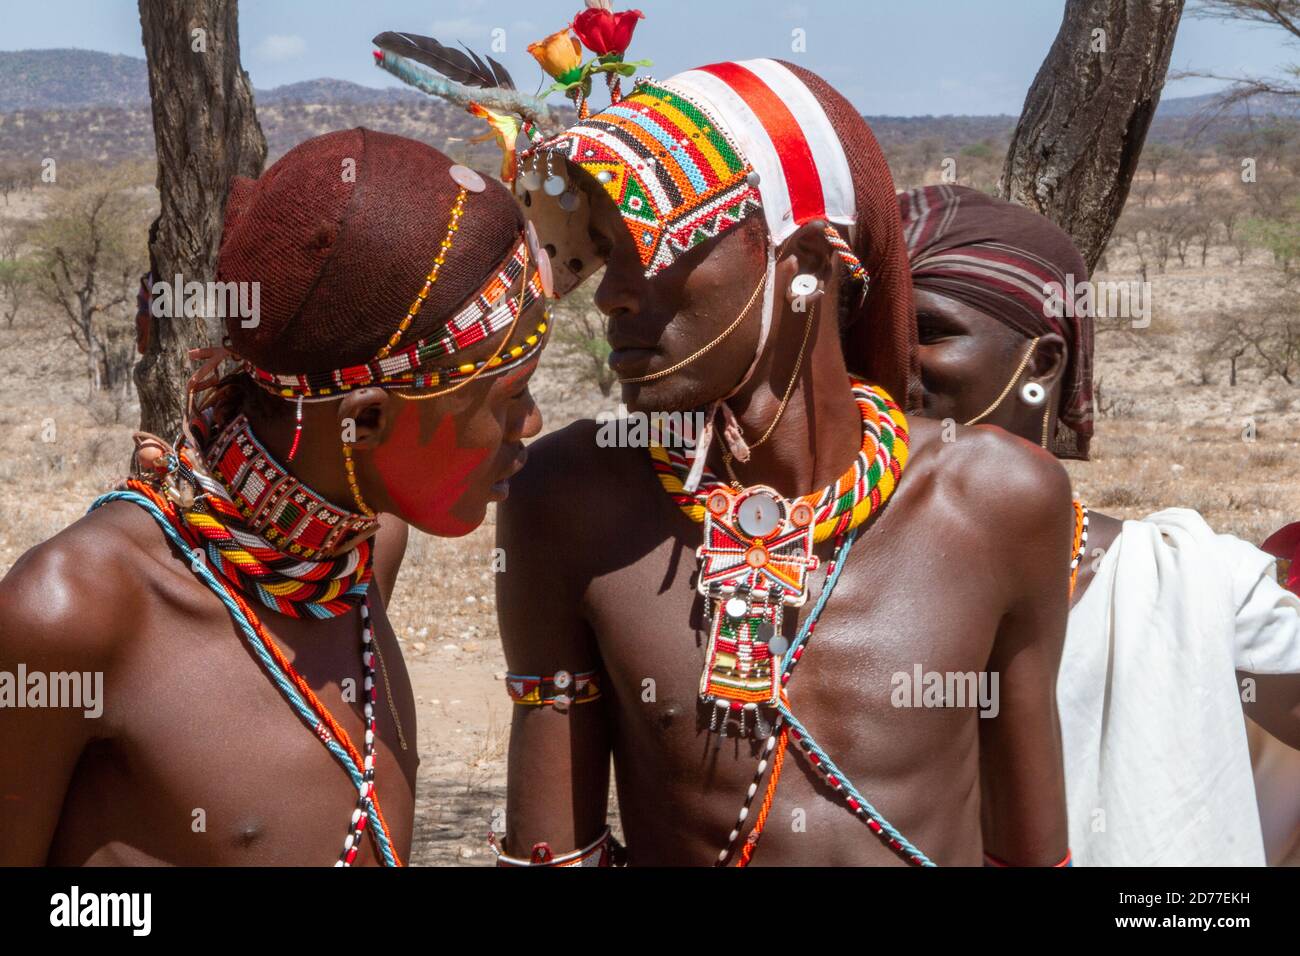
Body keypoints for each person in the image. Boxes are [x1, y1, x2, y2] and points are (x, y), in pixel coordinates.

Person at [494, 61, 1075, 867]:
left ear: (803, 263)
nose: (611, 297)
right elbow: (551, 858)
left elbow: (1032, 856)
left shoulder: (1001, 503)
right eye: (599, 257)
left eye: (646, 250)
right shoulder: (567, 500)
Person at [0, 128, 549, 865]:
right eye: (510, 395)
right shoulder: (74, 613)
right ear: (368, 419)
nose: (533, 424)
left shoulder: (360, 558)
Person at [898, 182, 1300, 865]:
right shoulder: (807, 580)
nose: (889, 368)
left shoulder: (1184, 582)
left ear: (1042, 364)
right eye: (868, 338)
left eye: (928, 333)